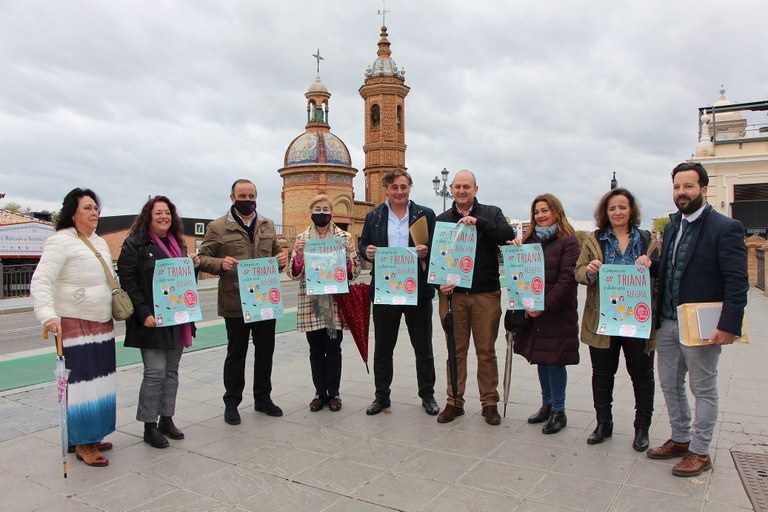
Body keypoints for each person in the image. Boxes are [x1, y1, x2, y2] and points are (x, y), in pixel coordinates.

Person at [637, 162, 748, 477]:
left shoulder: (725, 228)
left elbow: (737, 282)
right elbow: (673, 270)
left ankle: (700, 451)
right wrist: (652, 263)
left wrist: (729, 325)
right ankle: (681, 438)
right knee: (670, 384)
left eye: (687, 186)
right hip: (670, 322)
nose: (681, 193)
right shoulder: (673, 227)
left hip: (702, 324)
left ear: (703, 188)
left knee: (703, 388)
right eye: (676, 187)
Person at [31, 188, 116, 467]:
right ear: (72, 213)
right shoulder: (60, 242)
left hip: (102, 321)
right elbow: (42, 280)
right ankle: (83, 442)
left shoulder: (100, 243)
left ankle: (91, 434)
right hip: (75, 322)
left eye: (96, 208)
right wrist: (48, 315)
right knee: (81, 385)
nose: (94, 213)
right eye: (87, 208)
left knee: (100, 382)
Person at [198, 179, 288, 425]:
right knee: (236, 353)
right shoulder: (218, 227)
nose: (247, 200)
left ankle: (263, 398)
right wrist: (219, 264)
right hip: (235, 300)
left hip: (264, 301)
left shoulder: (267, 225)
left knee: (265, 351)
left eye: (251, 196)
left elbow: (276, 254)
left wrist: (281, 260)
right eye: (242, 196)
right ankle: (232, 402)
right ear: (232, 198)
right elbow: (202, 257)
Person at [575, 188, 659, 451]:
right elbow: (577, 272)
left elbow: (662, 275)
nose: (618, 212)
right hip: (604, 320)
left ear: (631, 210)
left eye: (622, 207)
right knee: (602, 374)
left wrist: (652, 265)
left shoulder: (647, 240)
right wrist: (588, 271)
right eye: (612, 208)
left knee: (642, 375)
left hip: (638, 320)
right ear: (605, 212)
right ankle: (603, 423)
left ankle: (641, 428)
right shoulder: (594, 239)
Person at [117, 196, 200, 448]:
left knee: (171, 372)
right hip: (151, 319)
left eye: (167, 213)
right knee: (154, 373)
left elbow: (185, 283)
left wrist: (193, 267)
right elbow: (129, 282)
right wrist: (144, 314)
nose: (164, 217)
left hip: (176, 318)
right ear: (148, 216)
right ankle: (148, 425)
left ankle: (167, 418)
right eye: (158, 213)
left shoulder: (178, 244)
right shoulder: (135, 244)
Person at [435, 170, 516, 426]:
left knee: (486, 351)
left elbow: (505, 235)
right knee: (455, 352)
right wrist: (439, 283)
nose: (460, 190)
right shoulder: (442, 219)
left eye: (466, 186)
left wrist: (477, 222)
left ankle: (489, 403)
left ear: (475, 189)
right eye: (457, 186)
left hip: (485, 295)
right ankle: (454, 402)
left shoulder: (491, 213)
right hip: (453, 298)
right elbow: (436, 258)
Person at [359, 169, 439, 416]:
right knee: (383, 347)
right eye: (394, 187)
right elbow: (362, 243)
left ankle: (428, 396)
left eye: (403, 187)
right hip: (386, 290)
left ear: (410, 188)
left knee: (423, 347)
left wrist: (428, 251)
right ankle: (381, 396)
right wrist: (367, 252)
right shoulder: (373, 216)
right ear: (386, 189)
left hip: (417, 290)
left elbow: (439, 247)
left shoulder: (424, 214)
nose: (399, 192)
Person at [512, 193, 580, 434]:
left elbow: (567, 279)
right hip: (535, 310)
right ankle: (547, 404)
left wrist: (545, 304)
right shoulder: (530, 240)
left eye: (545, 211)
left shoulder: (568, 241)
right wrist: (517, 249)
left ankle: (559, 411)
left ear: (556, 212)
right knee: (541, 357)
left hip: (557, 311)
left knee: (555, 360)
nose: (540, 216)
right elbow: (520, 272)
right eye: (536, 212)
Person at [288, 195, 360, 412]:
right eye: (317, 208)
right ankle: (320, 392)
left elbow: (354, 271)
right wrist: (299, 256)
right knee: (315, 350)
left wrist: (347, 259)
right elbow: (293, 273)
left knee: (334, 348)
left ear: (331, 212)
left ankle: (334, 393)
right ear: (311, 211)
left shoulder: (344, 237)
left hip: (334, 302)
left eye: (325, 209)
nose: (321, 213)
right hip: (312, 302)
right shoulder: (302, 238)